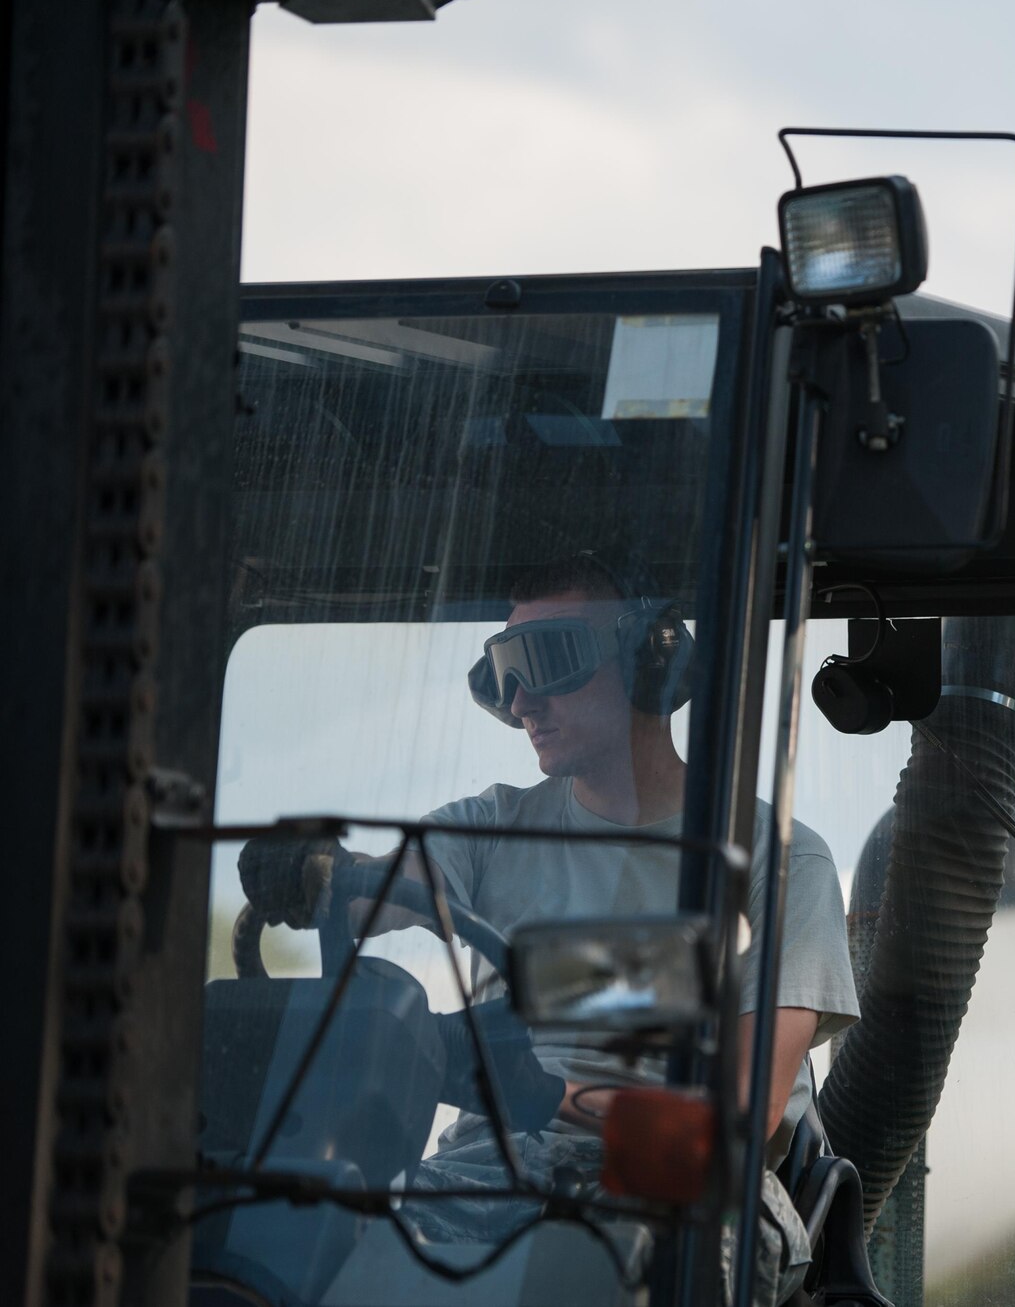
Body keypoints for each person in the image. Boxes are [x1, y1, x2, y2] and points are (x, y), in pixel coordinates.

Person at [241, 551, 858, 1298]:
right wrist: (321, 872)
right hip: (480, 1178)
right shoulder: (495, 827)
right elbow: (390, 885)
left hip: (682, 1189)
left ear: (650, 658)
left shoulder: (779, 864)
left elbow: (740, 1122)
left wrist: (543, 1093)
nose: (521, 700)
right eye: (502, 673)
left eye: (545, 659)